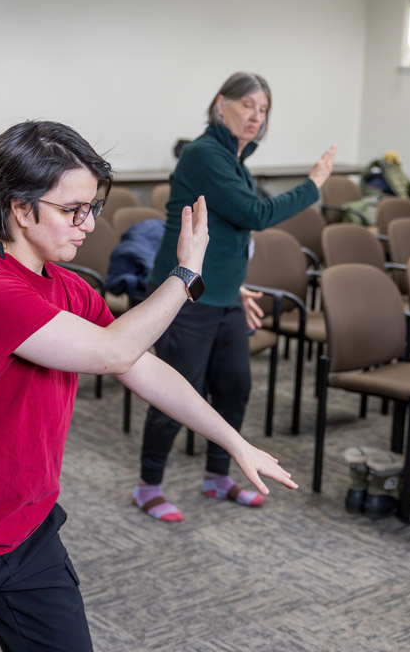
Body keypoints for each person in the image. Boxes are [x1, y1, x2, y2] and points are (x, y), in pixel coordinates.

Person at [0, 120, 298, 649]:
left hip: (28, 529)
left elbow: (141, 366)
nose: (88, 224)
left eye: (92, 208)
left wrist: (235, 442)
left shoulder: (69, 288)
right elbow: (112, 352)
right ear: (20, 207)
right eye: (71, 210)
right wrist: (186, 274)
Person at [134, 72, 335, 522]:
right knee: (174, 394)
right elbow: (254, 214)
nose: (255, 116)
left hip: (221, 296)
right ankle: (148, 486)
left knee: (234, 387)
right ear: (220, 103)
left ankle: (217, 477)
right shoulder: (204, 153)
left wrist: (234, 286)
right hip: (184, 296)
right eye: (247, 105)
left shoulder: (233, 160)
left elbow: (225, 233)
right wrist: (314, 183)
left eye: (262, 110)